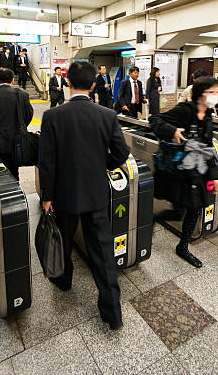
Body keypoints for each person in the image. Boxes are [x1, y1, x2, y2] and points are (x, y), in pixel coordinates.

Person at [38, 61, 130, 330]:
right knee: (102, 251)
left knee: (63, 242)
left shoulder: (53, 116)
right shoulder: (106, 115)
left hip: (64, 195)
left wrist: (46, 196)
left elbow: (47, 162)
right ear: (93, 85)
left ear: (68, 84)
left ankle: (64, 281)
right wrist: (105, 164)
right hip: (96, 193)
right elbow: (122, 153)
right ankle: (112, 312)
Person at [150, 76, 218, 268]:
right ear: (200, 94)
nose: (216, 96)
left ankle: (183, 246)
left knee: (195, 208)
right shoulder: (184, 110)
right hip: (178, 171)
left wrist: (215, 177)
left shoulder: (207, 116)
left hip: (196, 171)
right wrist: (172, 130)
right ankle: (153, 219)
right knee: (179, 213)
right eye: (213, 92)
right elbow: (155, 120)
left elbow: (207, 147)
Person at [0, 68, 33, 181]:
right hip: (18, 142)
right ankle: (15, 192)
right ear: (13, 80)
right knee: (14, 172)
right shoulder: (22, 95)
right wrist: (19, 126)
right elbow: (28, 115)